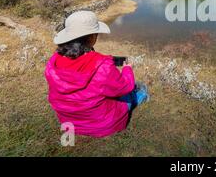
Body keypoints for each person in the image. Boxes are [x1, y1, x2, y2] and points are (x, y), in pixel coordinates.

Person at [44, 10, 149, 138]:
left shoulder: (53, 62)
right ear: (91, 37)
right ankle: (142, 94)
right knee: (135, 91)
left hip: (69, 122)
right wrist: (127, 69)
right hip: (102, 124)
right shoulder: (102, 67)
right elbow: (124, 87)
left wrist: (107, 61)